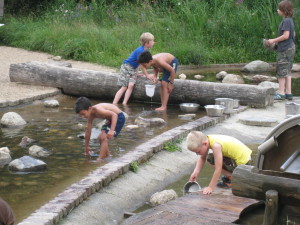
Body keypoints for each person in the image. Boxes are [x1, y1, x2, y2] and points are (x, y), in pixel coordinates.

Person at [186, 131, 252, 195]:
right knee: (210, 159)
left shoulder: (216, 145)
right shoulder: (207, 139)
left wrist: (210, 187)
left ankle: (233, 178)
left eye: (198, 151)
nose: (197, 154)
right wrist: (195, 172)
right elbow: (202, 158)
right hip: (236, 159)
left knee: (240, 184)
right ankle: (231, 176)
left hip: (244, 163)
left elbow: (218, 169)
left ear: (205, 144)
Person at [113, 32, 156, 105]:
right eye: (152, 41)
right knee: (124, 87)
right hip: (127, 67)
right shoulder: (140, 50)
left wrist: (136, 72)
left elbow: (139, 63)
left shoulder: (146, 51)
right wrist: (147, 75)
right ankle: (114, 104)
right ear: (146, 43)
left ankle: (124, 103)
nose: (153, 42)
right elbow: (142, 64)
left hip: (133, 69)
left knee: (131, 85)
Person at [266, 0, 295, 101]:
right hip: (290, 48)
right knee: (287, 71)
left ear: (283, 10)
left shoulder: (286, 21)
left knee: (281, 71)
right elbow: (293, 34)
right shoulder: (290, 20)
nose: (277, 10)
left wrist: (273, 40)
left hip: (285, 49)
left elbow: (286, 35)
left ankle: (281, 93)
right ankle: (288, 93)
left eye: (279, 9)